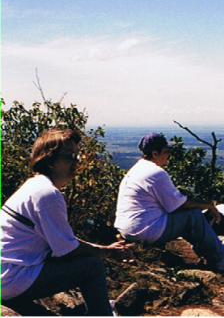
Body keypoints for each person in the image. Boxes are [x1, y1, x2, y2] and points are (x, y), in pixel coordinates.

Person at [1, 129, 135, 316]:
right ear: (49, 161)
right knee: (92, 266)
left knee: (90, 260)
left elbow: (64, 242)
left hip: (8, 273)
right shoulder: (47, 194)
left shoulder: (36, 186)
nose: (76, 161)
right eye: (69, 157)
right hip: (12, 279)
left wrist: (103, 249)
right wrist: (108, 252)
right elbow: (68, 250)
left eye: (76, 155)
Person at [114, 132, 224, 271]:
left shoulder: (136, 169)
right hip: (144, 231)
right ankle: (222, 259)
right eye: (166, 151)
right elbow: (178, 205)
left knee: (188, 216)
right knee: (194, 215)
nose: (168, 155)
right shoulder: (155, 172)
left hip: (128, 230)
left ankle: (209, 247)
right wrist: (208, 205)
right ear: (155, 154)